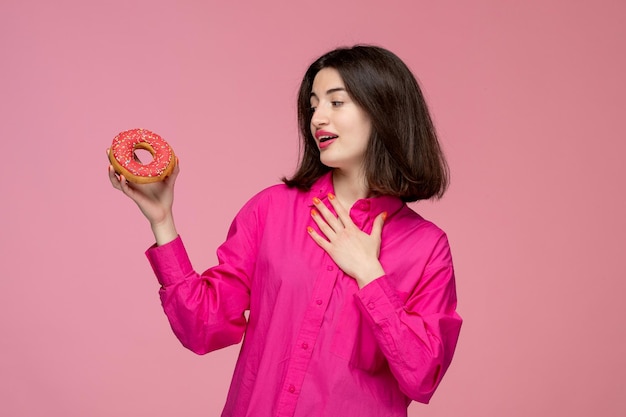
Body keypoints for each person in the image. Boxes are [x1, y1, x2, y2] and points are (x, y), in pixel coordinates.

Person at [108, 45, 462, 417]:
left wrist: (369, 275)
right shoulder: (271, 210)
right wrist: (162, 221)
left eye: (336, 103)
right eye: (313, 105)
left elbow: (423, 376)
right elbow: (202, 327)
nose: (318, 118)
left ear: (383, 111)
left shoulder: (427, 247)